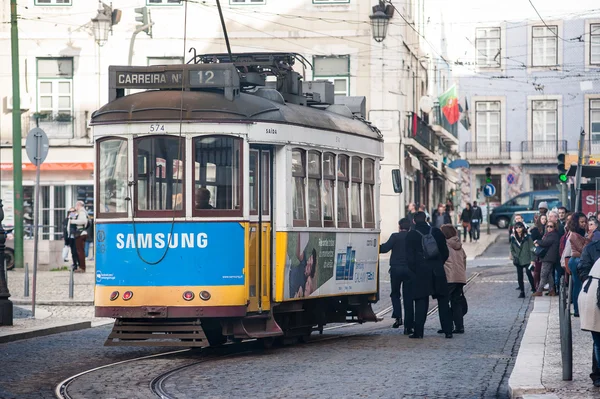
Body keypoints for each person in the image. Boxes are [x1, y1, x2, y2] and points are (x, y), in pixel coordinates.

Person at [406, 212, 451, 339]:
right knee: (443, 301)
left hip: (421, 272)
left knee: (421, 302)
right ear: (426, 219)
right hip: (437, 271)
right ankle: (448, 331)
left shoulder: (411, 235)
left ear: (414, 221)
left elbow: (409, 258)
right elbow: (445, 252)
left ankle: (418, 332)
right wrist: (438, 263)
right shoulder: (436, 232)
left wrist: (416, 269)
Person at [379, 218, 414, 334]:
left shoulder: (395, 236)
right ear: (409, 227)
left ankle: (398, 317)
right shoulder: (412, 237)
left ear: (399, 227)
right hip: (409, 269)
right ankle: (409, 325)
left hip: (395, 269)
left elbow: (384, 249)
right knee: (408, 297)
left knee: (395, 294)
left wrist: (374, 246)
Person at [576, 238, 600, 388]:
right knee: (598, 340)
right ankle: (597, 374)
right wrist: (591, 283)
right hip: (594, 297)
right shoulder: (591, 248)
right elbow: (582, 268)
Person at [440, 224, 467, 334]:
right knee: (456, 302)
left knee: (445, 302)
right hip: (460, 278)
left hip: (449, 277)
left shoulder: (444, 245)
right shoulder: (459, 245)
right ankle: (459, 326)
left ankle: (448, 326)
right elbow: (464, 260)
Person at [566, 213, 589, 318]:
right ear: (576, 223)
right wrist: (589, 238)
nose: (584, 224)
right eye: (582, 222)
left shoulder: (582, 232)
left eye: (585, 222)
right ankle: (577, 309)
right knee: (578, 286)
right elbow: (582, 249)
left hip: (580, 260)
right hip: (576, 261)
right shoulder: (574, 235)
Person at [533, 220, 560, 297]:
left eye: (551, 226)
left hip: (548, 257)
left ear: (554, 227)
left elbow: (546, 243)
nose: (549, 228)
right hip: (548, 257)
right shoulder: (548, 234)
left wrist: (537, 241)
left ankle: (539, 290)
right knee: (549, 275)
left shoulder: (553, 235)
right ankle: (552, 290)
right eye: (547, 226)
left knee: (543, 274)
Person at [510, 222, 536, 297]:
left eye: (520, 227)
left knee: (528, 273)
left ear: (523, 228)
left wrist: (533, 259)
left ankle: (533, 288)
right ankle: (522, 291)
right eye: (516, 228)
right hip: (518, 260)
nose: (518, 229)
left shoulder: (528, 237)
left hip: (527, 258)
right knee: (520, 276)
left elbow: (532, 248)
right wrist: (515, 255)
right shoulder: (513, 238)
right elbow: (511, 249)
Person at [530, 214, 547, 290]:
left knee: (543, 270)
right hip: (538, 252)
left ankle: (541, 285)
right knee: (537, 269)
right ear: (540, 220)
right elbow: (532, 241)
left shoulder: (547, 228)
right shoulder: (535, 230)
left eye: (545, 219)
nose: (544, 220)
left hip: (545, 251)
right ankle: (535, 285)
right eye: (542, 219)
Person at [71, 201, 88, 273]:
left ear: (79, 205)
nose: (76, 207)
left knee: (80, 251)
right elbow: (70, 217)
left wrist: (73, 222)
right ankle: (81, 266)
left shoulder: (82, 212)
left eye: (76, 205)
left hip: (80, 233)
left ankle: (82, 267)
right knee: (79, 251)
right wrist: (73, 213)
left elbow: (83, 221)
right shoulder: (79, 212)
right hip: (80, 233)